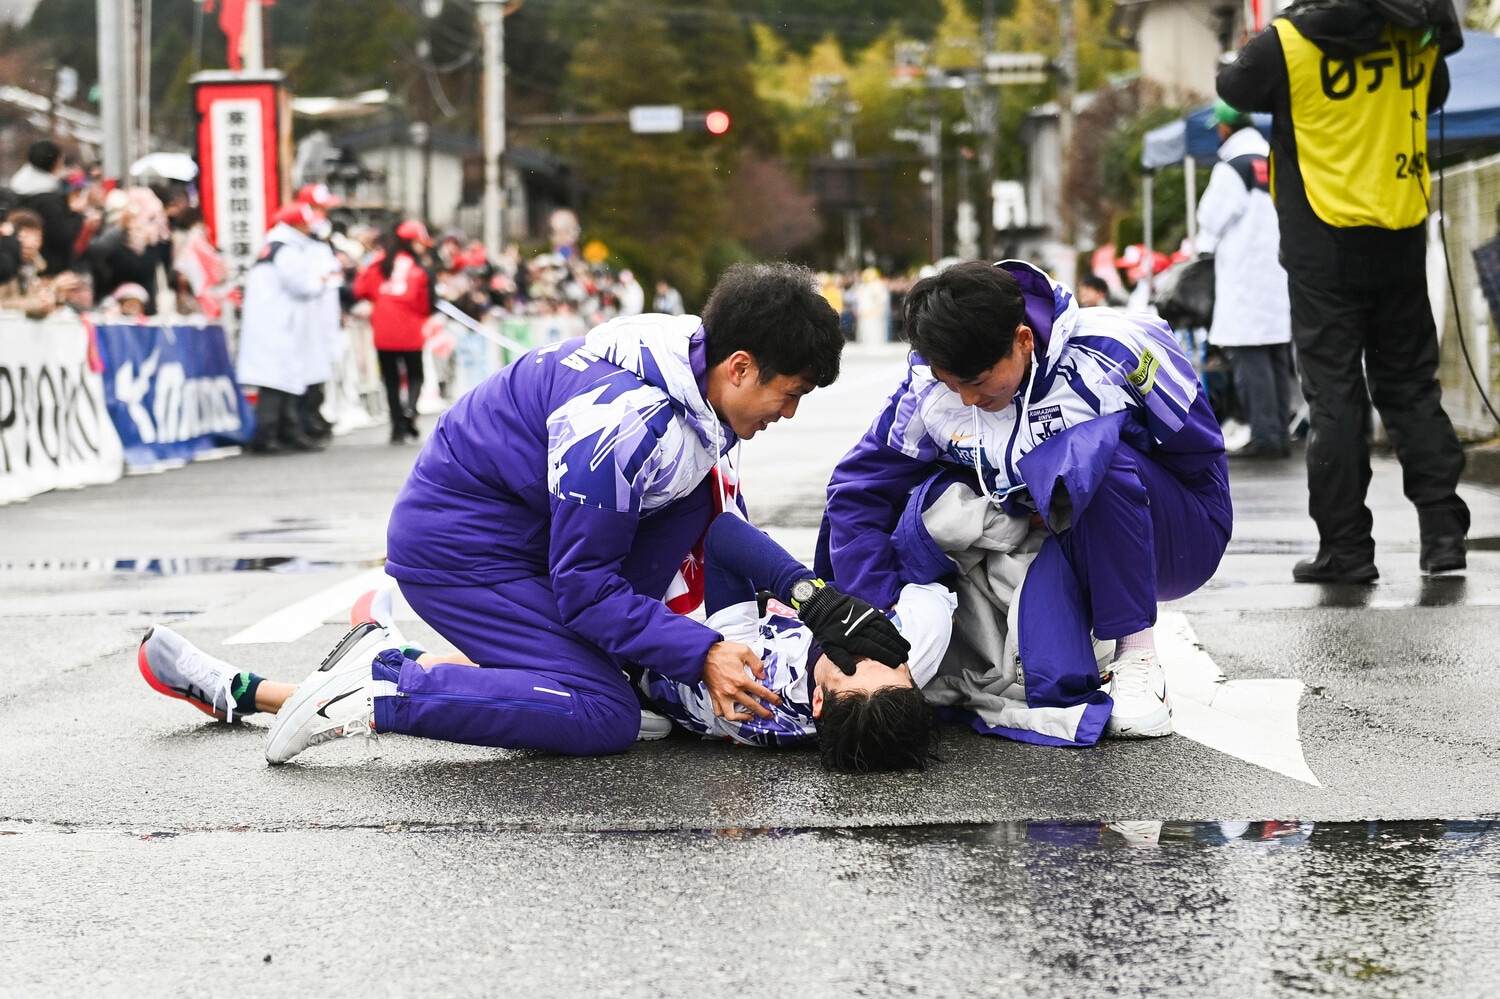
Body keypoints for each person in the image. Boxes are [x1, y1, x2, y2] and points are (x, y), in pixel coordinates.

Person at [142, 263, 860, 763]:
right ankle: (377, 689)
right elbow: (586, 589)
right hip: (462, 552)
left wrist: (794, 603)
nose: (790, 414)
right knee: (601, 713)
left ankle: (264, 689)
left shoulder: (689, 372)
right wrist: (700, 650)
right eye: (790, 394)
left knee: (599, 689)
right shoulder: (623, 424)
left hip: (520, 537)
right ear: (740, 366)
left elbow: (708, 530)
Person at [136, 512, 932, 773]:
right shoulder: (865, 689)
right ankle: (346, 661)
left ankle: (257, 686)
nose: (877, 653)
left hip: (626, 660)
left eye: (857, 665)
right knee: (463, 671)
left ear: (819, 697)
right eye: (893, 668)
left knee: (481, 683)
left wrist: (811, 599)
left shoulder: (770, 683)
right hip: (652, 671)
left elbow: (722, 537)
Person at [818, 260, 1232, 746]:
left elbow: (1198, 454)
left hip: (1176, 531)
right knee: (930, 501)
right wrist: (874, 612)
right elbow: (857, 490)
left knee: (1099, 456)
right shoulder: (926, 391)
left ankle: (1137, 655)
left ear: (1023, 340)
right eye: (952, 384)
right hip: (1056, 539)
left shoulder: (1118, 349)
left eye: (978, 381)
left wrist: (1068, 479)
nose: (966, 400)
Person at [1217, 0, 1469, 582]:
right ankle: (1443, 536)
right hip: (1399, 231)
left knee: (1334, 395)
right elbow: (1435, 93)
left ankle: (1347, 549)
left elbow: (1233, 85)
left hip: (1322, 240)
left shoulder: (1289, 42)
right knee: (1412, 387)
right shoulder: (1416, 29)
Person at [1195, 99, 1294, 461]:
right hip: (1278, 274)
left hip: (1246, 277)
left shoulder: (1233, 167)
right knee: (1277, 355)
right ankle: (1278, 433)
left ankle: (1265, 438)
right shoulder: (1275, 159)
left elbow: (1210, 218)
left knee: (1251, 358)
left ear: (1224, 128)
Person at [237, 201, 340, 453]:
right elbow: (301, 285)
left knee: (282, 381)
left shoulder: (276, 247)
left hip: (276, 326)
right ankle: (269, 435)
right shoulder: (286, 251)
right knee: (277, 382)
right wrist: (322, 282)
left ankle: (284, 432)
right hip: (278, 327)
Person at [353, 220, 436, 444]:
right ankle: (410, 409)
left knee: (390, 380)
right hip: (411, 329)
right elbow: (428, 304)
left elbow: (360, 290)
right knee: (415, 375)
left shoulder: (380, 263)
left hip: (383, 330)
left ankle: (396, 427)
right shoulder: (420, 268)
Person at [8, 140, 81, 276]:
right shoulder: (48, 199)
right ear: (56, 163)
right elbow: (63, 233)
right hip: (50, 266)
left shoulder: (17, 186)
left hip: (24, 262)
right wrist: (76, 214)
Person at [0, 208, 79, 318]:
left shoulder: (33, 268)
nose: (30, 243)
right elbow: (4, 303)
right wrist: (39, 303)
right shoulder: (5, 267)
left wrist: (55, 293)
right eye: (23, 236)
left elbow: (31, 302)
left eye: (36, 237)